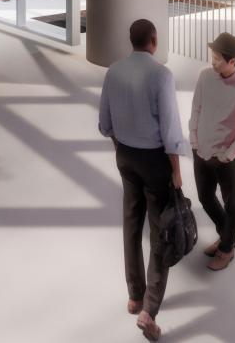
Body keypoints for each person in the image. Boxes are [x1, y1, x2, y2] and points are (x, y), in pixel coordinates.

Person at [98, 19, 187, 342]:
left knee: (131, 223)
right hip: (154, 161)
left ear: (130, 40)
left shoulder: (113, 71)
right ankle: (149, 308)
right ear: (154, 40)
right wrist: (175, 171)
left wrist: (122, 148)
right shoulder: (161, 75)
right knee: (160, 230)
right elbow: (170, 131)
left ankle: (134, 295)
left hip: (125, 156)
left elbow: (105, 123)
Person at [188, 32, 235, 272]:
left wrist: (228, 154)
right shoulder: (205, 77)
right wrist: (194, 141)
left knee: (231, 202)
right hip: (201, 151)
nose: (213, 62)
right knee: (204, 197)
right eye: (212, 56)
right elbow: (196, 108)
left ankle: (226, 249)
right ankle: (227, 235)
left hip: (225, 158)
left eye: (218, 58)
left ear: (233, 62)